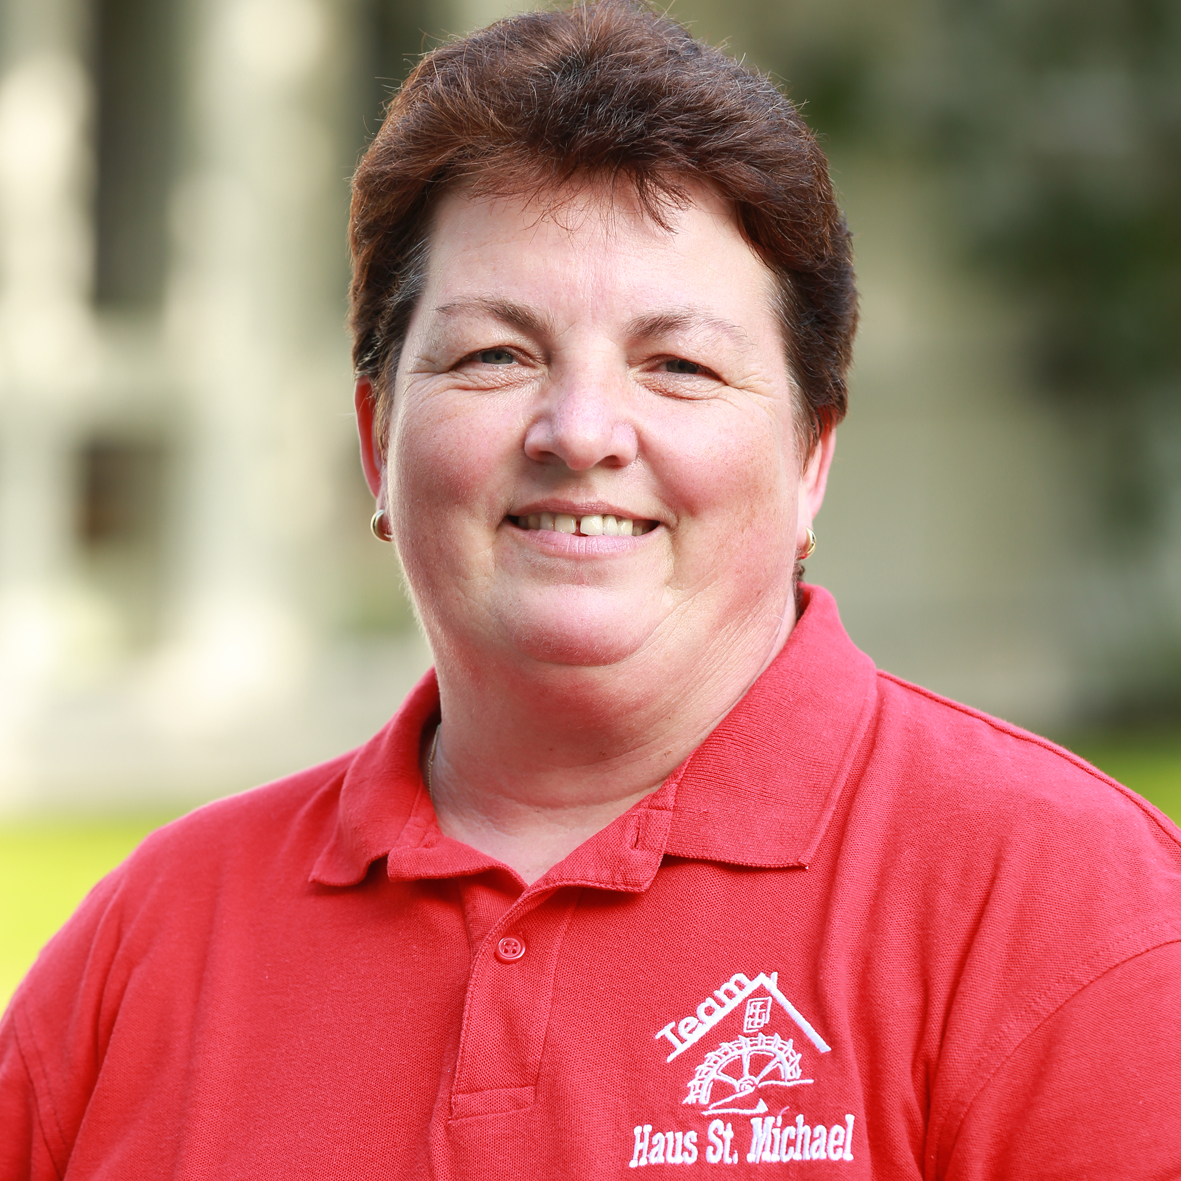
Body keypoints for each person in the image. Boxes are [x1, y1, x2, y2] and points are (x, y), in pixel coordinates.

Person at [3, 2, 1180, 1177]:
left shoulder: (1068, 913)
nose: (578, 431)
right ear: (377, 439)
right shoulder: (151, 940)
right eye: (495, 355)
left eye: (678, 364)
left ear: (809, 457)